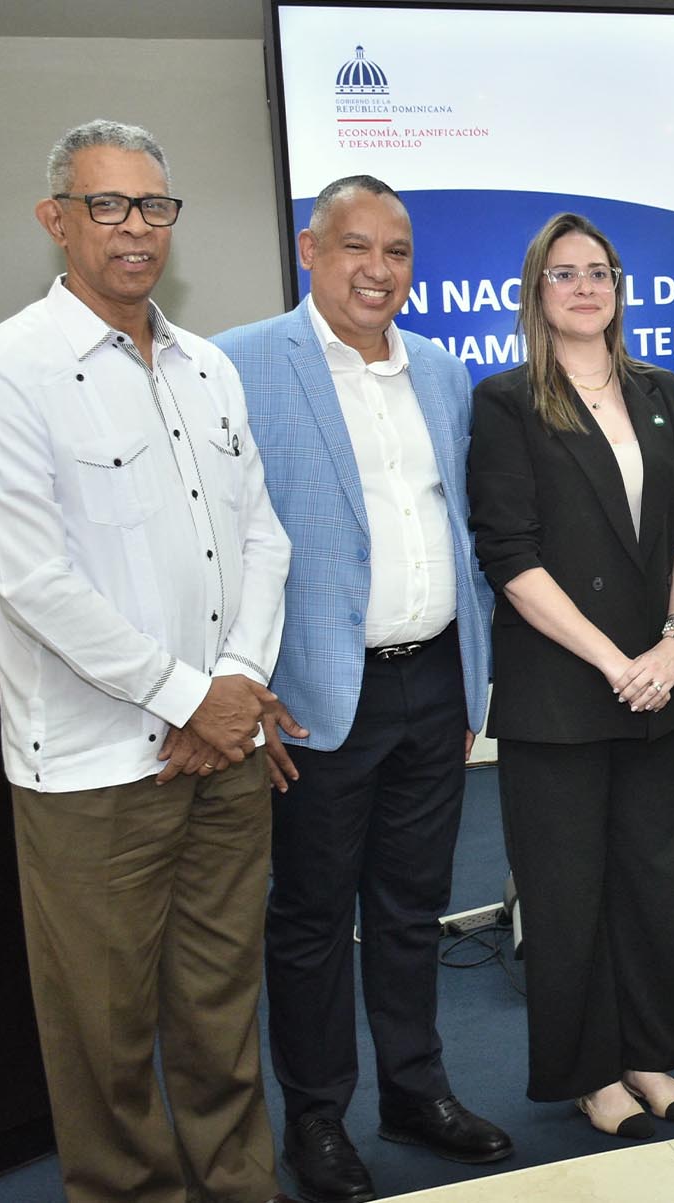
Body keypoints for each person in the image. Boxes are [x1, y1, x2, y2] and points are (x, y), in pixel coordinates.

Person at [0, 119, 295, 1203]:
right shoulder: (6, 371)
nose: (136, 228)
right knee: (103, 1045)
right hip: (97, 775)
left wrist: (234, 688)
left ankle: (238, 1187)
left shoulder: (206, 368)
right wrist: (195, 698)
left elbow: (262, 538)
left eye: (154, 206)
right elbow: (35, 582)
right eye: (109, 206)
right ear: (58, 221)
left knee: (220, 1011)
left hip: (226, 756)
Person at [213, 176, 510, 1203]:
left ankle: (415, 1091)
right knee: (308, 919)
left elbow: (461, 530)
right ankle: (319, 1120)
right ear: (310, 249)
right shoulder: (242, 363)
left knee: (410, 907)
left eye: (396, 251)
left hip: (432, 685)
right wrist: (245, 692)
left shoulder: (441, 368)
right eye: (354, 246)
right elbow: (216, 545)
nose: (377, 270)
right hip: (311, 702)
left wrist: (474, 671)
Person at [466, 213, 674, 1140]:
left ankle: (650, 1054)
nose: (584, 287)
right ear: (536, 291)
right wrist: (618, 661)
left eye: (600, 272)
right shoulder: (506, 401)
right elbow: (511, 555)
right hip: (565, 687)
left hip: (663, 681)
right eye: (564, 273)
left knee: (657, 879)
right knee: (569, 891)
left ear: (620, 286)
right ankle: (588, 1073)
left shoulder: (663, 390)